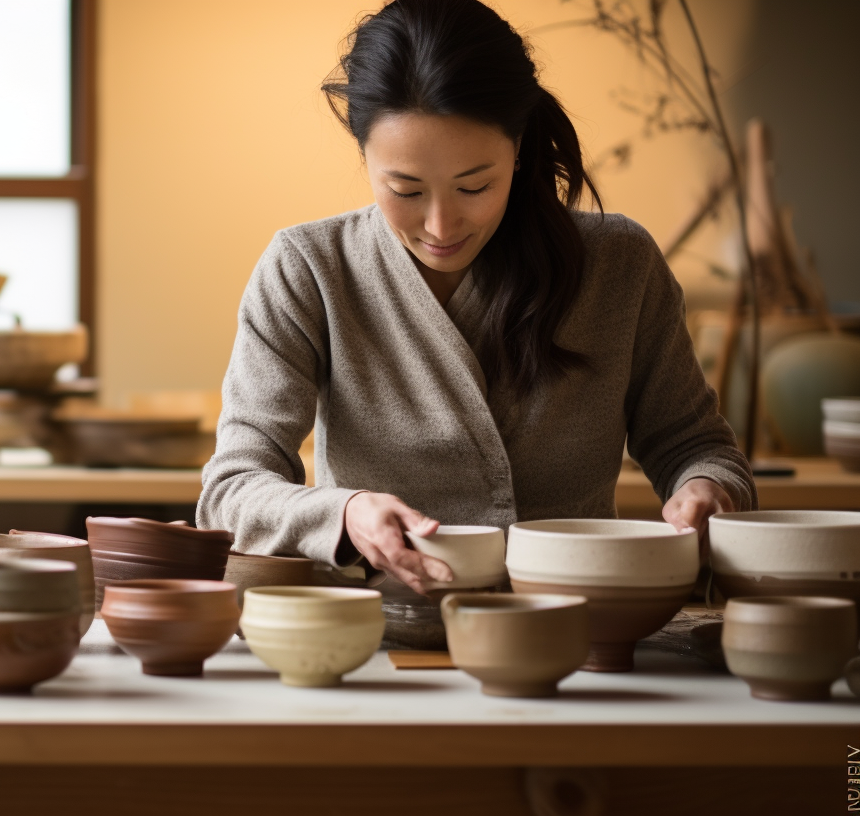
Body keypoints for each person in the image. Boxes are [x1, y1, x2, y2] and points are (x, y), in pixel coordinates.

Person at [195, 0, 754, 595]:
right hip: (377, 639)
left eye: (475, 185)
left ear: (518, 146)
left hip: (580, 632)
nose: (440, 225)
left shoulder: (619, 264)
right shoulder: (309, 268)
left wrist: (707, 489)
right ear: (364, 156)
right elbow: (232, 489)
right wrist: (344, 512)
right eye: (405, 189)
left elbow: (695, 445)